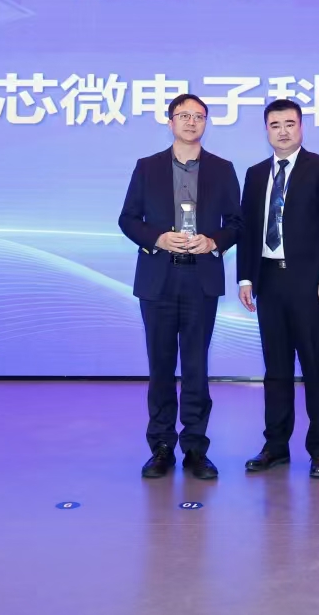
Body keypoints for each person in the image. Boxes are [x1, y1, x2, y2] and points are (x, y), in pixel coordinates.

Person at [119, 94, 242, 480]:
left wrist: (213, 241)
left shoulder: (222, 169)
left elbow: (237, 223)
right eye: (183, 115)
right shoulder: (147, 167)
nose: (191, 122)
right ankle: (160, 447)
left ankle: (195, 448)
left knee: (195, 366)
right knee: (160, 366)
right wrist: (157, 238)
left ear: (206, 122)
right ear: (169, 121)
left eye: (199, 116)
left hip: (200, 279)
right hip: (158, 277)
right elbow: (128, 219)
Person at [237, 99, 319, 478]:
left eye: (289, 123)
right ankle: (275, 446)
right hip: (269, 280)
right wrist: (246, 278)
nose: (282, 131)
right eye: (275, 125)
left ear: (301, 127)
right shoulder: (255, 174)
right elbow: (248, 229)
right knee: (276, 370)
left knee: (316, 367)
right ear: (266, 130)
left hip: (310, 282)